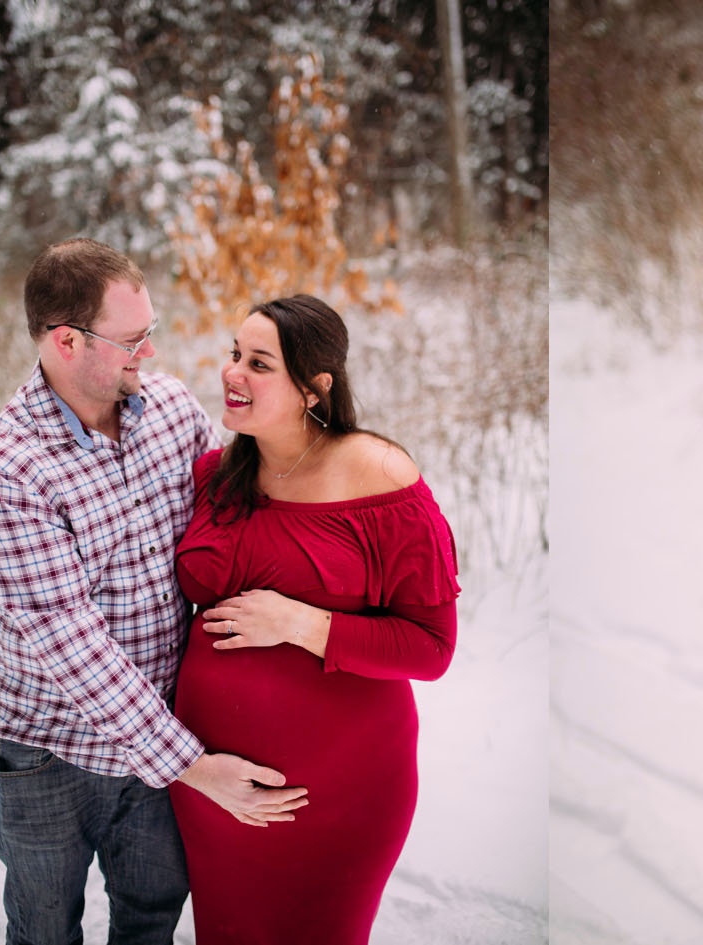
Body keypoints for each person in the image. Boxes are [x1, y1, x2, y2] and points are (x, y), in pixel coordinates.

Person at [0, 238, 310, 944]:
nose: (149, 354)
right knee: (45, 930)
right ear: (65, 341)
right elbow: (72, 643)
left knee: (152, 919)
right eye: (131, 341)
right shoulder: (4, 472)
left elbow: (236, 525)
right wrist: (195, 766)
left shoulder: (173, 412)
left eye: (150, 333)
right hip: (44, 753)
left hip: (162, 734)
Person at [167, 294, 460, 944]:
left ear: (314, 387)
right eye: (234, 353)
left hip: (339, 796)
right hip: (212, 791)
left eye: (260, 363)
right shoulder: (214, 477)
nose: (232, 372)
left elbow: (432, 647)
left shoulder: (379, 476)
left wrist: (300, 623)